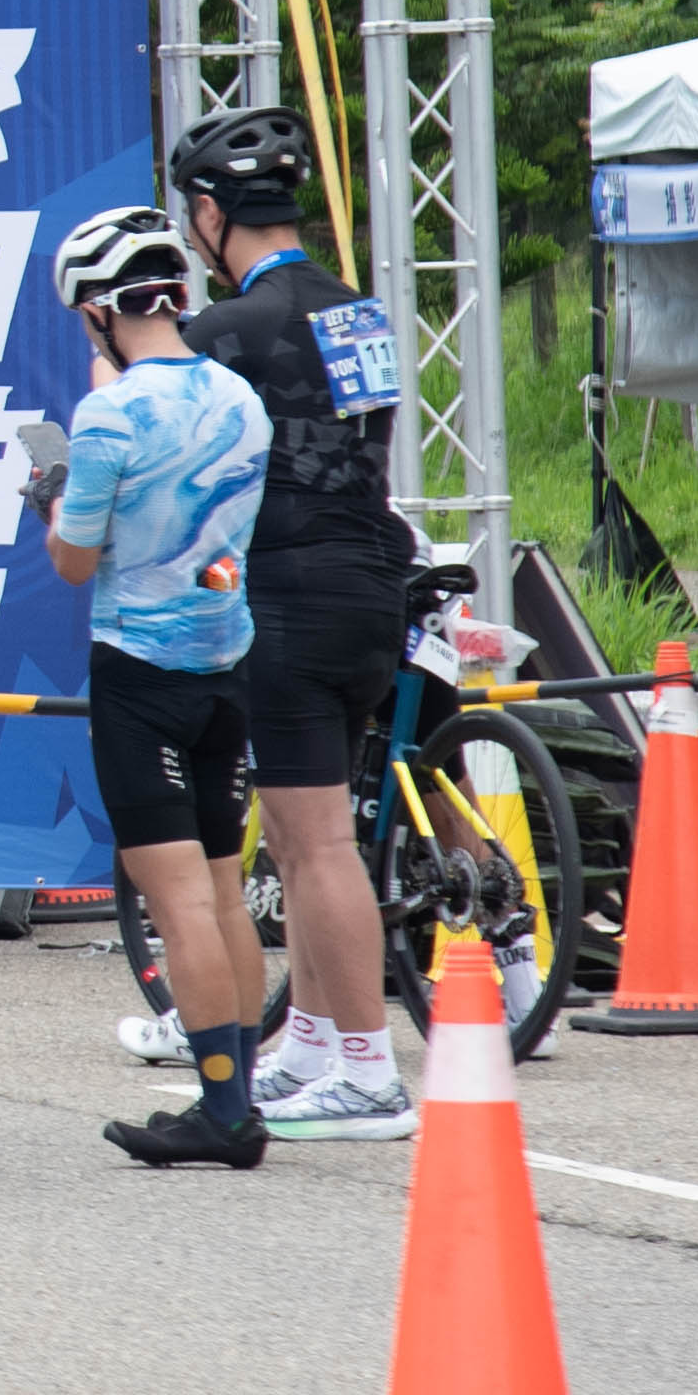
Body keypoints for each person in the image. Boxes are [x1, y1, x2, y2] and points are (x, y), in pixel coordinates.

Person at [168, 106, 415, 1144]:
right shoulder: (359, 314)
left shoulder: (226, 329)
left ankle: (369, 1071)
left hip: (285, 588)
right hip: (371, 581)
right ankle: (312, 1043)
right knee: (305, 832)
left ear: (209, 214)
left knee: (314, 847)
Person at [35, 211, 275, 1169]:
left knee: (178, 904)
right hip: (226, 664)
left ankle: (221, 1116)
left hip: (140, 672)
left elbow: (72, 560)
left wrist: (51, 497)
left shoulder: (108, 417)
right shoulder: (239, 397)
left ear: (100, 311)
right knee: (222, 894)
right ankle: (241, 1096)